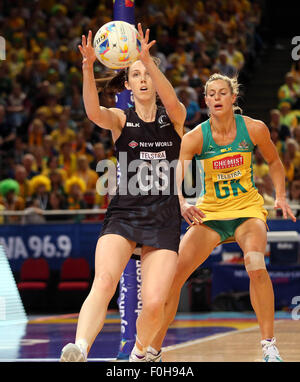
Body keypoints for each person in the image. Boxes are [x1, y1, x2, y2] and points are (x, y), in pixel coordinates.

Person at [148, 73, 296, 363]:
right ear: (205, 101)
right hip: (211, 212)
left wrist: (279, 195)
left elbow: (275, 162)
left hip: (247, 211)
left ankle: (268, 345)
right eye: (210, 94)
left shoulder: (254, 129)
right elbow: (178, 172)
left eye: (221, 93)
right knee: (174, 275)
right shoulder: (195, 137)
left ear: (232, 97)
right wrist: (180, 200)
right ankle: (152, 349)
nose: (216, 98)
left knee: (255, 264)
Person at [60, 23, 186, 362]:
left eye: (148, 73)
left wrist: (146, 58)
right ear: (127, 84)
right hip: (124, 215)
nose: (144, 78)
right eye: (136, 74)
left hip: (163, 217)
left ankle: (141, 352)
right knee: (103, 280)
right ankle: (80, 348)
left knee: (156, 300)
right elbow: (92, 112)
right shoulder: (120, 119)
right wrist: (87, 68)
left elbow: (173, 101)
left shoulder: (173, 118)